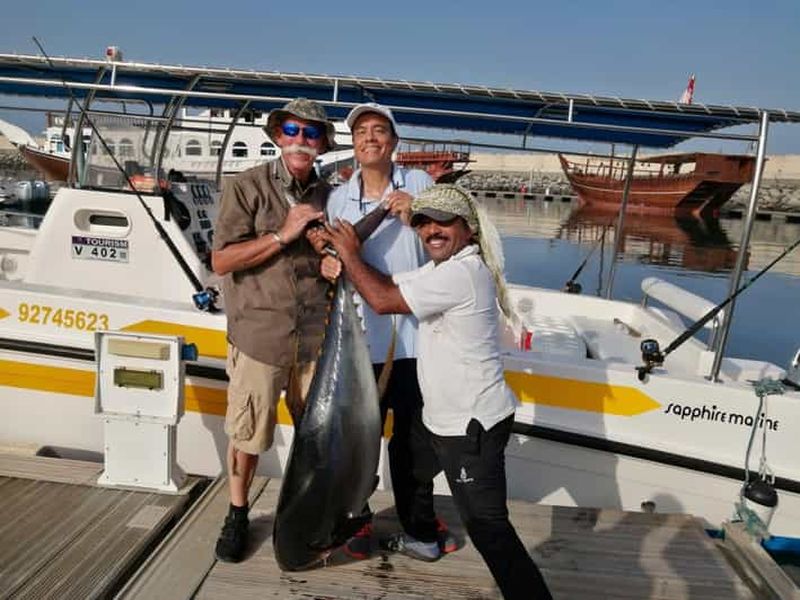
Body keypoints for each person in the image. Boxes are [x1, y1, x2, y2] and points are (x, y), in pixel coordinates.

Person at [324, 184, 553, 600]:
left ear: (468, 229)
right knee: (408, 459)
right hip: (439, 420)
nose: (432, 229)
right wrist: (344, 264)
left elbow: (382, 299)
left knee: (489, 529)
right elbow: (390, 280)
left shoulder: (461, 273)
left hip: (470, 429)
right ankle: (423, 538)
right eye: (423, 222)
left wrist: (349, 253)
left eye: (443, 220)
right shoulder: (440, 268)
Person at [324, 102, 455, 562]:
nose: (370, 138)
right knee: (358, 440)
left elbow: (449, 243)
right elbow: (336, 257)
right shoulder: (339, 199)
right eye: (361, 132)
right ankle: (355, 522)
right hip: (362, 343)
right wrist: (328, 261)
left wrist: (415, 216)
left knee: (416, 443)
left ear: (394, 143)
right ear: (354, 144)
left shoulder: (419, 185)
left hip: (420, 340)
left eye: (380, 131)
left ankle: (418, 526)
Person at [210, 98, 336, 563]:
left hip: (314, 340)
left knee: (316, 437)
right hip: (260, 339)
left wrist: (331, 260)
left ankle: (302, 512)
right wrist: (284, 234)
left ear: (322, 143)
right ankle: (238, 514)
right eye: (292, 130)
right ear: (278, 135)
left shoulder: (328, 194)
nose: (300, 140)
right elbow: (221, 260)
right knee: (247, 438)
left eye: (311, 133)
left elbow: (332, 257)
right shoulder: (246, 187)